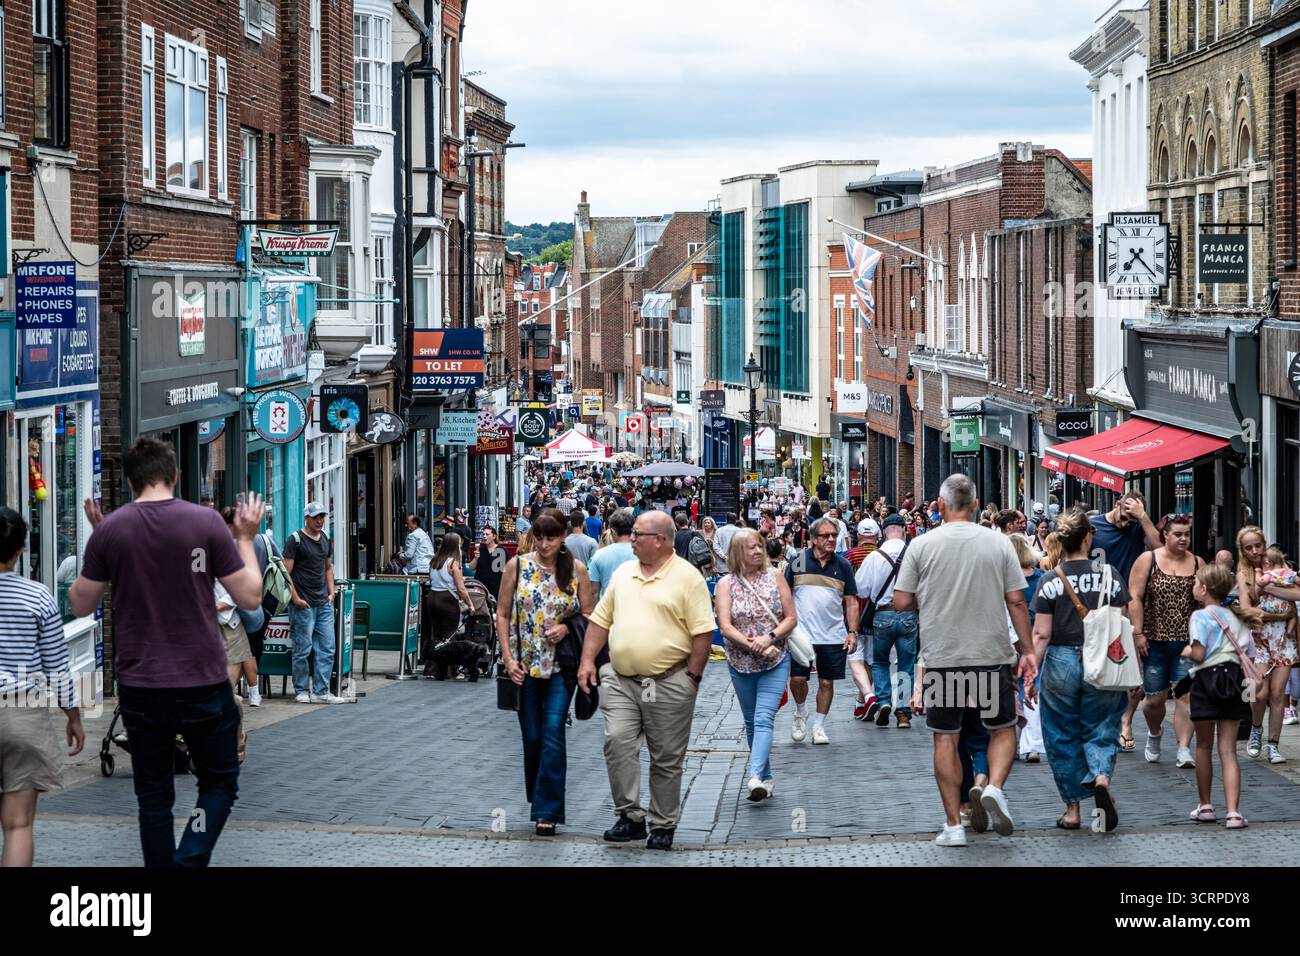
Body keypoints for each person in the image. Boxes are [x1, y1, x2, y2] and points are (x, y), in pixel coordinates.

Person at [68, 438, 264, 867]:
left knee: (153, 795)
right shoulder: (206, 523)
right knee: (218, 782)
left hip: (140, 683)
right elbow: (250, 597)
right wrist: (246, 537)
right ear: (174, 476)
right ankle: (190, 855)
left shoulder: (113, 530)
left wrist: (100, 546)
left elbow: (80, 604)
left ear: (131, 481)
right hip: (202, 678)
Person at [893, 474, 1037, 847]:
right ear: (975, 506)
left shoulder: (921, 545)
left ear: (939, 506)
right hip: (991, 656)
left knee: (946, 738)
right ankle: (995, 787)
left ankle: (954, 826)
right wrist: (1027, 650)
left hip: (943, 659)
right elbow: (1017, 601)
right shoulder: (999, 544)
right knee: (1002, 728)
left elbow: (901, 601)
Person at [578, 510, 715, 850]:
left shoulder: (687, 578)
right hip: (621, 680)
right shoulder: (624, 573)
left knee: (666, 755)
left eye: (639, 534)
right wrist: (587, 661)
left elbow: (703, 633)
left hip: (667, 680)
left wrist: (692, 679)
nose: (631, 538)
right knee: (617, 743)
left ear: (661, 541)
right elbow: (600, 620)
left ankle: (663, 823)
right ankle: (629, 816)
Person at [1031, 509, 1131, 831]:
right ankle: (1101, 777)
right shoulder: (1111, 576)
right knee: (1102, 724)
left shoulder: (1049, 581)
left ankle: (1072, 810)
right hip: (1102, 658)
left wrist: (1032, 671)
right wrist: (1134, 671)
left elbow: (1041, 634)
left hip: (1061, 660)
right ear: (1089, 537)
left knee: (1061, 732)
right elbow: (1121, 625)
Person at [496, 508, 595, 835]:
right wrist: (508, 659)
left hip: (560, 668)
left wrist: (568, 628)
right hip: (524, 667)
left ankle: (547, 811)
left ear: (563, 536)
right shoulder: (518, 566)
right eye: (539, 536)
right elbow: (502, 613)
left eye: (551, 537)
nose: (544, 543)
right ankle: (540, 795)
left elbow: (589, 614)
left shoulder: (576, 569)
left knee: (553, 732)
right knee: (533, 737)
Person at [0, 508, 85, 867]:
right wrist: (74, 716)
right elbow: (56, 666)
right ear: (21, 549)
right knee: (18, 825)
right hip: (23, 713)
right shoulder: (38, 597)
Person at [716, 528, 797, 801]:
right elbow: (725, 626)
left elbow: (790, 618)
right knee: (751, 722)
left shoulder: (775, 576)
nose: (758, 551)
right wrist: (752, 645)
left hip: (775, 659)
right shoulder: (725, 584)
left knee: (764, 718)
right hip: (740, 662)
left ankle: (753, 776)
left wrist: (769, 638)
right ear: (738, 552)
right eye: (751, 547)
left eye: (760, 546)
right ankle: (766, 777)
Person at [1184, 565, 1265, 828]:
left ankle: (1206, 806)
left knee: (1203, 746)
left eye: (1196, 582)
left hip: (1206, 680)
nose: (1194, 586)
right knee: (1229, 751)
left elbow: (1198, 654)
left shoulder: (1200, 616)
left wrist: (1186, 651)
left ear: (1204, 589)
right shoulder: (1237, 617)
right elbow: (1250, 656)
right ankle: (1233, 812)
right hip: (1234, 681)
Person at [1127, 514, 1202, 768]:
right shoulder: (1148, 560)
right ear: (1165, 535)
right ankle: (1154, 732)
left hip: (1186, 642)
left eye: (1187, 534)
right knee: (1154, 701)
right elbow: (1134, 597)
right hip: (1154, 641)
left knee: (1185, 697)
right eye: (1178, 534)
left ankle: (1183, 749)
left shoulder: (1197, 563)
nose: (1183, 539)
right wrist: (1138, 633)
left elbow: (1205, 601)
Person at [785, 517, 860, 745]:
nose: (831, 539)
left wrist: (852, 632)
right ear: (813, 539)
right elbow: (785, 595)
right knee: (797, 679)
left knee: (827, 682)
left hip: (832, 634)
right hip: (801, 635)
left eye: (834, 535)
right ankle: (800, 712)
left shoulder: (843, 565)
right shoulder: (797, 562)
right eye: (825, 535)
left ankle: (818, 725)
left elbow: (852, 602)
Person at [1235, 526, 1296, 763]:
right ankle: (1256, 729)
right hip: (1258, 640)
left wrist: (1268, 587)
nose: (1254, 551)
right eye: (1248, 547)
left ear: (1263, 544)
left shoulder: (1279, 567)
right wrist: (1279, 614)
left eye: (1257, 546)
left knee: (1277, 693)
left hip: (1283, 640)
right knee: (1257, 694)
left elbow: (1298, 594)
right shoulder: (1243, 573)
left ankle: (1273, 745)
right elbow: (1246, 611)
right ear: (1242, 550)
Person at [857, 513, 916, 728]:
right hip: (909, 614)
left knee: (880, 662)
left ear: (884, 532)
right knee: (906, 664)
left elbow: (861, 589)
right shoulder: (914, 554)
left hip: (883, 614)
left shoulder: (874, 556)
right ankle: (902, 713)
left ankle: (883, 701)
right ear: (904, 530)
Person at [283, 503, 345, 704]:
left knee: (327, 648)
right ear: (306, 518)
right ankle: (301, 690)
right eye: (316, 517)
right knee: (303, 648)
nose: (320, 521)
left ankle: (321, 691)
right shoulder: (295, 540)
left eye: (322, 517)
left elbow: (328, 567)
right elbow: (286, 573)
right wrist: (295, 599)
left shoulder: (325, 538)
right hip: (303, 604)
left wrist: (331, 591)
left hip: (323, 603)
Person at [423, 533, 475, 678]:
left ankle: (431, 669)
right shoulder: (453, 563)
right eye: (459, 543)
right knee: (449, 635)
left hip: (432, 597)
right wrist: (470, 604)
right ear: (454, 545)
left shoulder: (434, 561)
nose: (460, 546)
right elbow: (461, 588)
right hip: (447, 601)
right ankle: (448, 671)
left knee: (436, 634)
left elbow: (432, 580)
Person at [588, 509, 637, 600]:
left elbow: (594, 592)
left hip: (608, 609)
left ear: (613, 531)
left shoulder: (599, 555)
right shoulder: (643, 554)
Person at [473, 526, 507, 601]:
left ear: (494, 536)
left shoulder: (500, 550)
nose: (484, 536)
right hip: (481, 588)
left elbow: (503, 571)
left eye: (487, 534)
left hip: (495, 589)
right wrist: (476, 558)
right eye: (483, 534)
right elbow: (471, 567)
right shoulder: (480, 550)